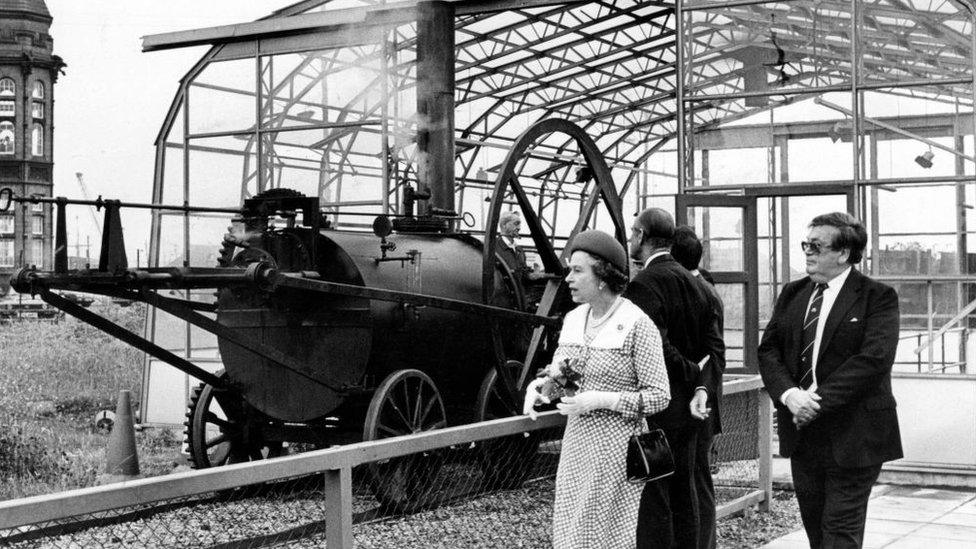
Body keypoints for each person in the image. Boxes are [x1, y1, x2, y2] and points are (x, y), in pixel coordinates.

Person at [758, 212, 901, 549]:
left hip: (855, 436)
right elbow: (768, 351)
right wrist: (791, 395)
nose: (808, 252)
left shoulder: (877, 297)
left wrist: (813, 402)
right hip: (804, 437)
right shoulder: (793, 294)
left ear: (844, 253)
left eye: (817, 246)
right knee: (817, 532)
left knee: (839, 533)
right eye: (805, 245)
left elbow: (873, 361)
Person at [522, 229, 670, 549]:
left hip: (617, 449)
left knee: (603, 537)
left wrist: (601, 400)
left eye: (577, 271)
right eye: (569, 271)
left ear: (602, 276)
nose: (568, 279)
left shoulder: (636, 324)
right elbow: (566, 377)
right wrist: (542, 389)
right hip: (576, 448)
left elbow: (660, 395)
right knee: (571, 532)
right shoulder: (574, 319)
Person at [624, 208, 723, 549]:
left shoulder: (643, 284)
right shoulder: (694, 281)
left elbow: (654, 344)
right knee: (686, 495)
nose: (630, 239)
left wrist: (689, 370)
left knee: (655, 501)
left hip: (659, 410)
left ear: (642, 235)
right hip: (690, 411)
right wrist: (697, 382)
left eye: (632, 233)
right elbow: (707, 346)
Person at [671, 225, 726, 549]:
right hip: (700, 400)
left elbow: (713, 353)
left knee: (697, 480)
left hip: (697, 400)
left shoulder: (698, 290)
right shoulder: (703, 285)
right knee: (696, 480)